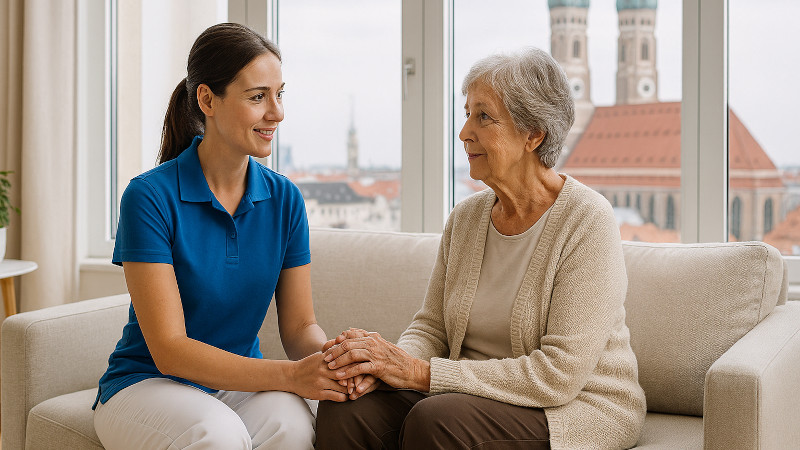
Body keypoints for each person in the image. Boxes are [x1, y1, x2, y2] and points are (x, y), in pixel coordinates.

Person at [315, 47, 647, 450]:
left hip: (574, 408)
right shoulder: (467, 218)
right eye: (467, 112)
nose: (464, 132)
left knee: (436, 420)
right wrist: (387, 367)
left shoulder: (587, 220)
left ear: (532, 135)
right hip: (465, 396)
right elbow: (431, 327)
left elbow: (558, 375)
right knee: (346, 407)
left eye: (483, 116)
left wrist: (421, 374)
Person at [93, 23, 348, 450]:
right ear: (207, 100)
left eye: (279, 94)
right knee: (217, 434)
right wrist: (290, 375)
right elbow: (171, 350)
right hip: (146, 382)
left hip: (236, 381)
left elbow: (301, 326)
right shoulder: (149, 197)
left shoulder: (284, 198)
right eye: (257, 97)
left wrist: (333, 359)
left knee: (295, 427)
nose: (277, 113)